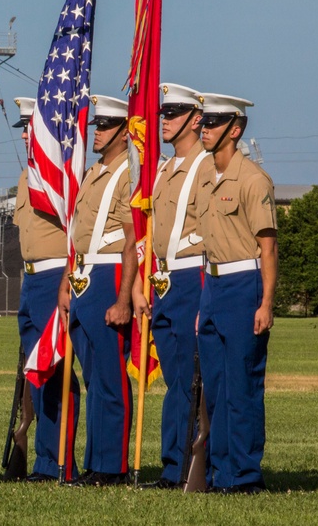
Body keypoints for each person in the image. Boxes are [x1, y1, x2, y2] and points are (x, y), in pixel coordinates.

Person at [195, 93, 277, 494]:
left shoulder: (253, 180)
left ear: (236, 129)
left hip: (244, 285)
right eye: (204, 122)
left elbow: (268, 247)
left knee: (241, 385)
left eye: (212, 123)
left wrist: (265, 302)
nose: (203, 129)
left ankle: (245, 476)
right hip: (213, 286)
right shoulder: (207, 177)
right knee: (215, 387)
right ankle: (218, 472)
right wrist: (203, 300)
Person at [131, 84, 212, 489]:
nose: (164, 120)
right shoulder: (162, 168)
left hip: (192, 275)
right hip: (162, 278)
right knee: (176, 378)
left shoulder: (206, 167)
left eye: (174, 113)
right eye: (163, 113)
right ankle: (174, 464)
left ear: (196, 119)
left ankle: (190, 465)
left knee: (192, 376)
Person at [59, 94, 136, 487]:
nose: (98, 132)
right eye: (97, 125)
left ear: (125, 131)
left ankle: (114, 465)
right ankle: (97, 462)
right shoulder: (92, 172)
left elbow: (131, 238)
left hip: (110, 273)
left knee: (110, 376)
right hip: (84, 274)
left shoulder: (128, 172)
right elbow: (78, 236)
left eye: (106, 126)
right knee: (93, 378)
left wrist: (124, 298)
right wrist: (67, 282)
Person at [11, 97, 80, 483]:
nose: (26, 136)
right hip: (31, 279)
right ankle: (43, 459)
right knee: (37, 374)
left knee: (55, 373)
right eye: (23, 129)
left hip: (56, 278)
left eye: (32, 128)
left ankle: (59, 461)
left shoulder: (63, 174)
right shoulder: (27, 177)